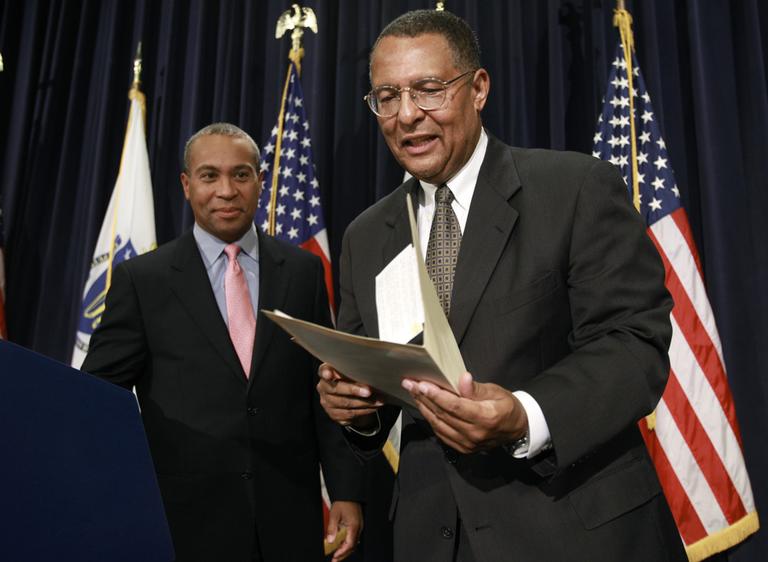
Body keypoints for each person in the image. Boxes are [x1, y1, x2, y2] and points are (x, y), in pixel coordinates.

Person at [316, 10, 686, 562]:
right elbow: (377, 382)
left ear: (479, 88)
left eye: (428, 89)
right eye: (386, 97)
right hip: (432, 536)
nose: (406, 115)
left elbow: (634, 345)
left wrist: (523, 415)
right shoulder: (367, 235)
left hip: (576, 531)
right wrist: (356, 406)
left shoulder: (574, 188)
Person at [83, 123, 363, 562]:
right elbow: (97, 399)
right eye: (210, 175)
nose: (226, 190)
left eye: (241, 174)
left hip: (289, 516)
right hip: (186, 522)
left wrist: (346, 490)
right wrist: (125, 490)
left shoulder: (302, 272)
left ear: (259, 181)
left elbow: (325, 391)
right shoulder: (144, 282)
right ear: (186, 184)